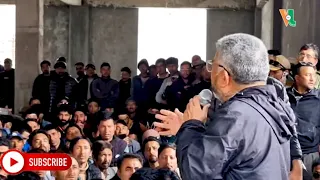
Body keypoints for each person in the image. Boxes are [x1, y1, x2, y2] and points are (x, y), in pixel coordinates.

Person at [154, 33, 296, 180]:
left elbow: (196, 172)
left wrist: (191, 125)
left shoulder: (236, 115)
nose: (210, 71)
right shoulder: (271, 105)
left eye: (212, 65)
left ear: (224, 76)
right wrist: (184, 127)